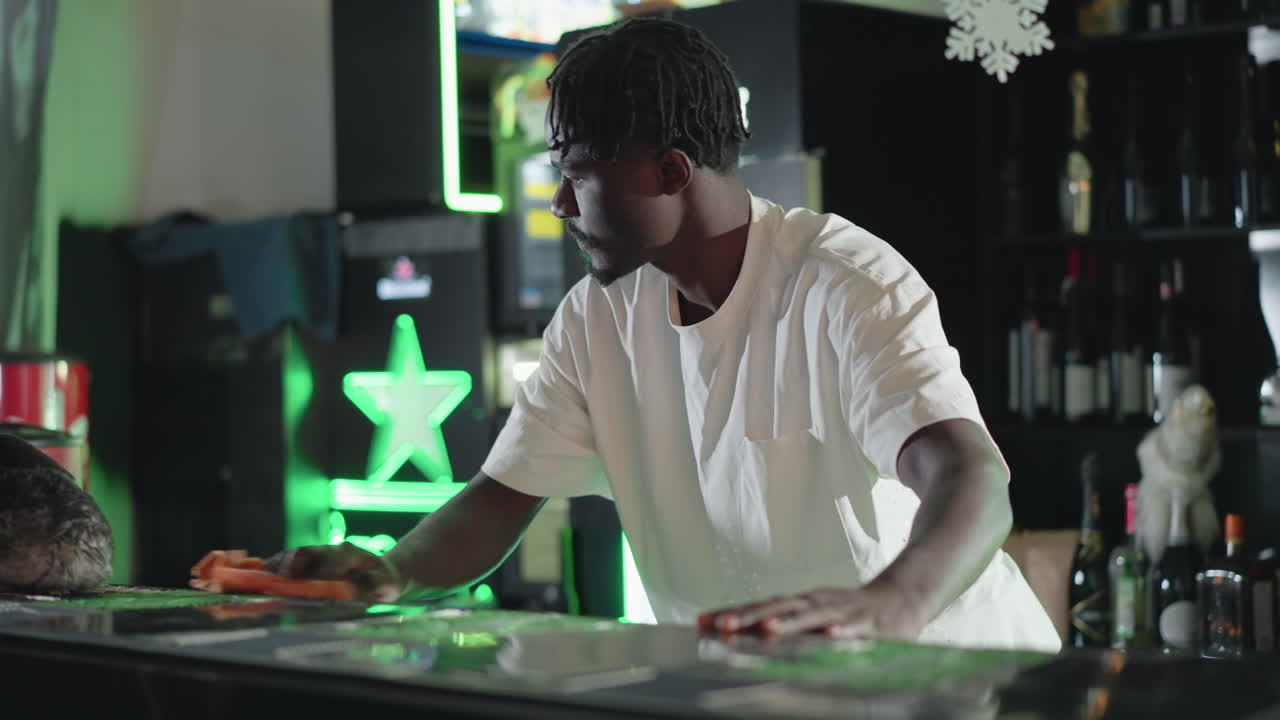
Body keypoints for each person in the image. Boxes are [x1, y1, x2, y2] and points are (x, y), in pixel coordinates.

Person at [270, 17, 1059, 652]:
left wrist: (890, 604)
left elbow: (972, 478)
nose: (560, 205)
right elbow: (499, 499)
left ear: (672, 172)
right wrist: (390, 571)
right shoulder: (595, 318)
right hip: (765, 686)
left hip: (954, 682)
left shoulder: (843, 282)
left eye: (577, 175)